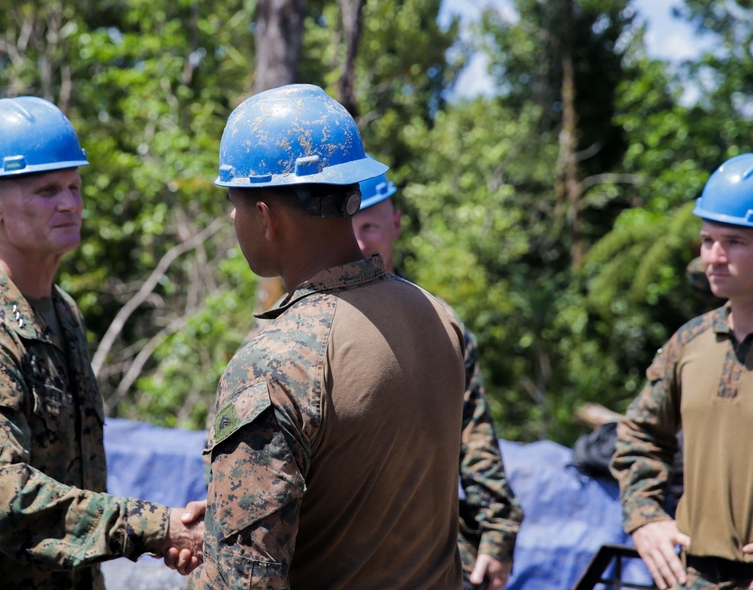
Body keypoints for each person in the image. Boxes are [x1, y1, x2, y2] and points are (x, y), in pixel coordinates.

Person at [0, 96, 204, 589]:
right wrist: (157, 528)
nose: (69, 204)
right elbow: (7, 502)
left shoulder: (62, 312)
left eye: (73, 187)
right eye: (46, 191)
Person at [185, 83, 467, 589]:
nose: (232, 218)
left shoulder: (278, 361)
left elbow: (242, 583)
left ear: (266, 217)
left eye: (235, 203)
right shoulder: (437, 317)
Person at [611, 152, 753, 590]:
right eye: (707, 240)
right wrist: (644, 518)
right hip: (694, 577)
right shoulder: (690, 341)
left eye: (734, 242)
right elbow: (639, 435)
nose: (714, 257)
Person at [352, 171, 523, 590]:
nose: (357, 243)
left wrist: (497, 533)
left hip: (428, 555)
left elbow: (473, 434)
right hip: (339, 556)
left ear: (396, 224)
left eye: (369, 226)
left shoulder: (435, 325)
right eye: (347, 227)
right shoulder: (301, 330)